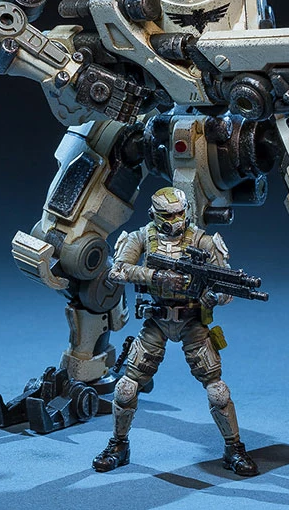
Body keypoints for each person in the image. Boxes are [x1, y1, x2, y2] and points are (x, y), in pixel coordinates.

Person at [92, 186, 258, 477]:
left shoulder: (203, 241)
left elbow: (226, 289)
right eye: (168, 215)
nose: (176, 219)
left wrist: (213, 296)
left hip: (192, 320)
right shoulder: (141, 237)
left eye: (180, 213)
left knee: (218, 391)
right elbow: (118, 270)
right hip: (157, 319)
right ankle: (118, 446)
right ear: (154, 214)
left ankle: (234, 448)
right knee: (126, 388)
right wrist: (157, 276)